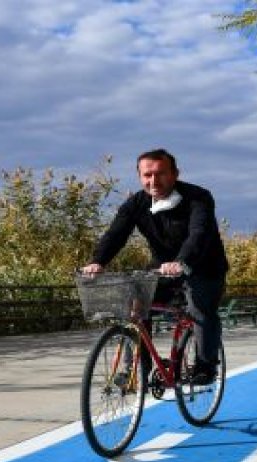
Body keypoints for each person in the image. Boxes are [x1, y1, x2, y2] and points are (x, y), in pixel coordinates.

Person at [81, 148, 229, 384]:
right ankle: (139, 368)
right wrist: (97, 261)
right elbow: (115, 234)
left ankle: (205, 365)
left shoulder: (198, 197)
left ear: (175, 174)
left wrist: (182, 261)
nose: (153, 181)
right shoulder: (136, 204)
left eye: (160, 173)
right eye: (147, 175)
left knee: (200, 309)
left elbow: (198, 234)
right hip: (162, 267)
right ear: (140, 177)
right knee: (136, 305)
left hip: (203, 265)